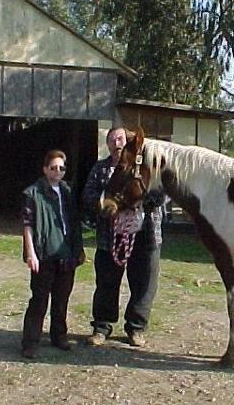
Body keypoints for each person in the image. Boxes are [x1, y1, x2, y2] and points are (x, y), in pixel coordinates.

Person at [82, 127, 164, 347]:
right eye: (112, 140)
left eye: (120, 139)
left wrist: (135, 201)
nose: (116, 143)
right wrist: (105, 206)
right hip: (110, 237)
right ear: (108, 145)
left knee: (144, 283)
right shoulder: (100, 169)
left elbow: (160, 196)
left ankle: (136, 328)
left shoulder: (148, 166)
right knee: (106, 282)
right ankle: (102, 327)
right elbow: (88, 195)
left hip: (146, 235)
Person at [21, 149, 85, 359]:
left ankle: (59, 336)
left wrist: (79, 250)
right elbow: (27, 225)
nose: (58, 171)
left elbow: (74, 223)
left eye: (61, 168)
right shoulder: (33, 193)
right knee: (39, 300)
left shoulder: (67, 191)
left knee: (61, 299)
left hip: (66, 253)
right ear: (45, 169)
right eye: (53, 167)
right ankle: (30, 342)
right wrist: (31, 253)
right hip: (44, 254)